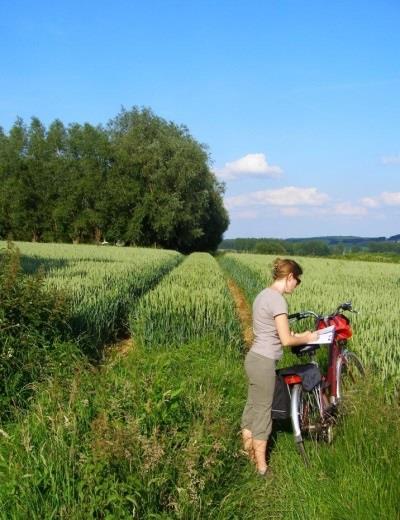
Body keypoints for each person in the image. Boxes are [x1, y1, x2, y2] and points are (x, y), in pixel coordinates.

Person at [240, 258, 319, 476]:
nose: (297, 285)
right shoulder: (278, 301)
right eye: (297, 280)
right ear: (290, 277)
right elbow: (285, 340)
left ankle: (246, 452)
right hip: (264, 362)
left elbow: (272, 332)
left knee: (252, 407)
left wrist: (299, 335)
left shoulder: (262, 295)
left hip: (254, 358)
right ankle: (262, 468)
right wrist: (308, 337)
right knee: (264, 412)